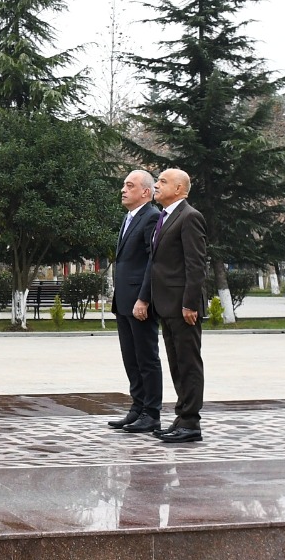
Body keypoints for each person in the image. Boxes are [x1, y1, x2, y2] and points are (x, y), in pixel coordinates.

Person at [142, 168, 208, 445]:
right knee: (176, 364)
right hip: (166, 305)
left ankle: (191, 422)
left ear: (180, 188)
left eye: (162, 182)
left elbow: (196, 263)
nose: (156, 185)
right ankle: (181, 417)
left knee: (188, 364)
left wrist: (190, 303)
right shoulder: (166, 217)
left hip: (183, 306)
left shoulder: (190, 217)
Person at [109, 170, 164, 434]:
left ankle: (151, 413)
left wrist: (144, 298)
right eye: (123, 185)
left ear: (146, 192)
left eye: (129, 186)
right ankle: (137, 407)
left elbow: (153, 262)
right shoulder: (129, 217)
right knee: (131, 358)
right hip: (123, 301)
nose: (123, 189)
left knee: (146, 358)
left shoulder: (152, 217)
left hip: (139, 303)